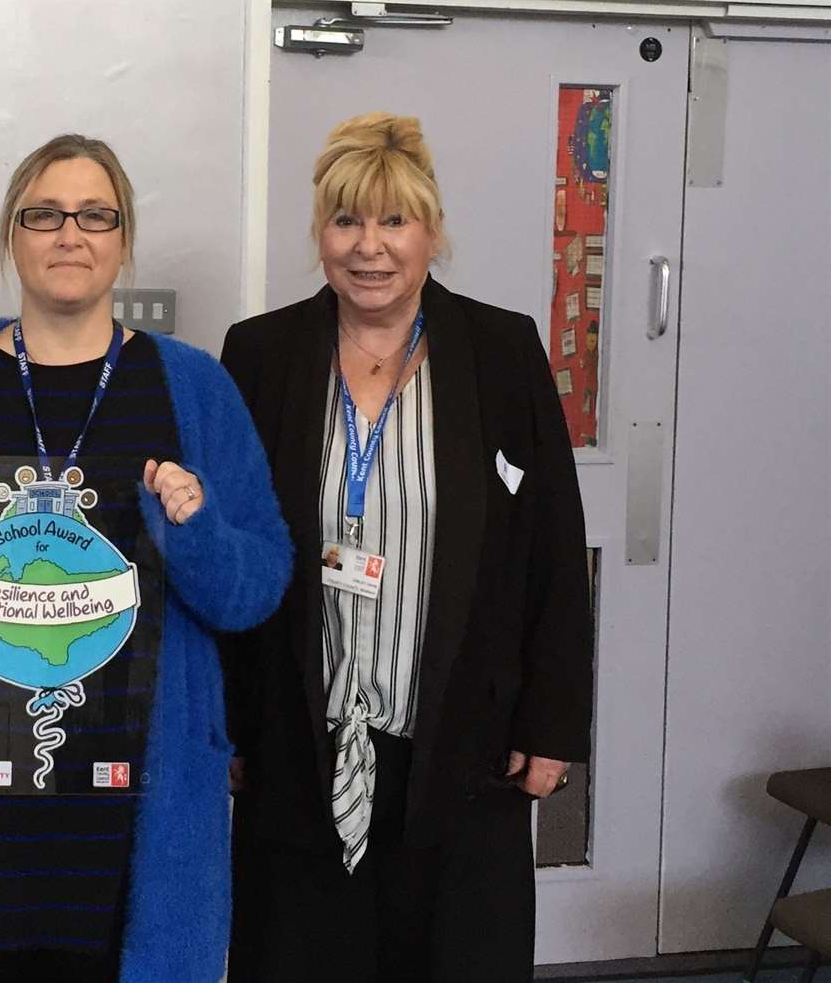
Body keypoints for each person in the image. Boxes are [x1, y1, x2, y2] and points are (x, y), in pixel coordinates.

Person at [0, 134, 290, 982]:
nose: (68, 234)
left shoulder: (193, 388)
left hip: (129, 818)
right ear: (13, 234)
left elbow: (254, 587)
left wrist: (194, 529)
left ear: (123, 240)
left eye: (94, 216)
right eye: (44, 214)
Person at [221, 112, 592, 981]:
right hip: (298, 749)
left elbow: (551, 546)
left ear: (431, 230)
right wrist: (227, 726)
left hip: (466, 748)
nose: (369, 247)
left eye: (394, 221)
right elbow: (232, 553)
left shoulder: (499, 354)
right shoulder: (260, 355)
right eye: (347, 221)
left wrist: (553, 726)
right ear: (321, 234)